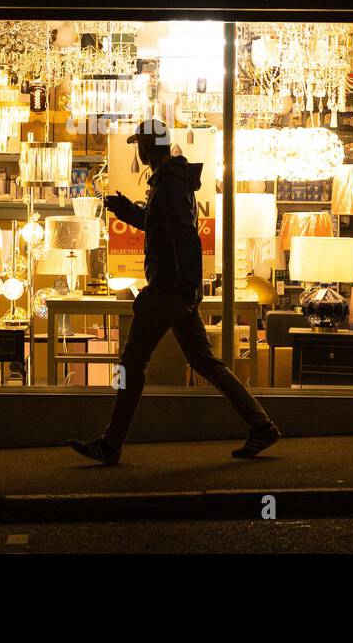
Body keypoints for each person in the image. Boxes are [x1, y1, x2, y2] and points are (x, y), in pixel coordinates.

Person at [68, 118, 282, 464]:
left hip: (167, 289)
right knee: (203, 361)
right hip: (176, 290)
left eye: (139, 145)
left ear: (146, 148)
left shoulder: (168, 184)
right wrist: (133, 214)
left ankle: (111, 443)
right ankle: (261, 425)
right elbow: (167, 228)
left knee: (133, 362)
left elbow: (184, 238)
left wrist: (183, 289)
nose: (138, 150)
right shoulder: (172, 181)